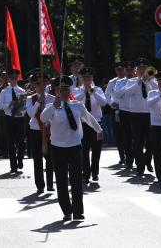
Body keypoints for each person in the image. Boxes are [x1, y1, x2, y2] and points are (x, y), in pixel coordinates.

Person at [40, 76, 103, 221]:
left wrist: (99, 130)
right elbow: (43, 118)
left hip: (75, 146)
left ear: (70, 91)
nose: (63, 92)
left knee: (76, 180)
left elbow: (88, 118)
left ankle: (78, 211)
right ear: (56, 91)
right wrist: (53, 107)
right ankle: (66, 210)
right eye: (60, 90)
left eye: (66, 89)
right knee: (61, 181)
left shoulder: (77, 105)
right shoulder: (52, 107)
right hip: (58, 147)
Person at [123, 58, 157, 176]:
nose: (142, 71)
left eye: (144, 68)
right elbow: (126, 93)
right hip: (135, 114)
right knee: (137, 141)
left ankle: (147, 161)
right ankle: (140, 166)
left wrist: (148, 81)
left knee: (150, 141)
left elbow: (158, 92)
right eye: (140, 69)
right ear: (136, 71)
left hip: (149, 114)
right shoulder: (131, 81)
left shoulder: (153, 82)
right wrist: (139, 82)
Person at [75, 67, 107, 182]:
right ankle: (86, 173)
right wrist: (84, 92)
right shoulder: (77, 90)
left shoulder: (97, 89)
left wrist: (93, 92)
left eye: (89, 77)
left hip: (96, 123)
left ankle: (95, 172)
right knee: (84, 150)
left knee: (96, 149)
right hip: (83, 123)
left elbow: (104, 102)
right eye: (85, 78)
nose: (87, 80)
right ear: (81, 78)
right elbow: (74, 101)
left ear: (92, 78)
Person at [26, 72, 55, 194]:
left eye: (43, 83)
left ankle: (49, 184)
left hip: (48, 130)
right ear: (34, 85)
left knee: (50, 159)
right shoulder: (30, 99)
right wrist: (38, 102)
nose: (41, 86)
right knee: (37, 159)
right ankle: (40, 185)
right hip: (35, 130)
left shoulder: (52, 98)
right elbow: (31, 114)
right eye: (38, 84)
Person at [0, 69, 27, 173]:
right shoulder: (4, 91)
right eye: (11, 78)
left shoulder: (22, 91)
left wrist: (21, 111)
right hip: (9, 118)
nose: (13, 80)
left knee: (21, 141)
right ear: (8, 79)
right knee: (10, 142)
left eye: (15, 78)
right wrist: (9, 104)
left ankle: (20, 158)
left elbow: (26, 106)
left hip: (19, 119)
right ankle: (13, 165)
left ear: (17, 78)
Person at [113, 61, 135, 169]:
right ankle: (129, 161)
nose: (130, 72)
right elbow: (117, 94)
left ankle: (139, 157)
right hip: (124, 112)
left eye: (131, 70)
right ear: (125, 71)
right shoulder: (120, 82)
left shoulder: (138, 81)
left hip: (136, 112)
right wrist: (128, 85)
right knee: (126, 138)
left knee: (137, 138)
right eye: (128, 70)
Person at [104, 62, 125, 163]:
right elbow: (106, 95)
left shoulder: (130, 80)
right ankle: (122, 156)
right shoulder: (112, 82)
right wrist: (112, 103)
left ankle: (130, 154)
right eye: (118, 70)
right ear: (116, 71)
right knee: (118, 133)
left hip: (129, 109)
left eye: (122, 69)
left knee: (130, 133)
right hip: (116, 110)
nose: (120, 72)